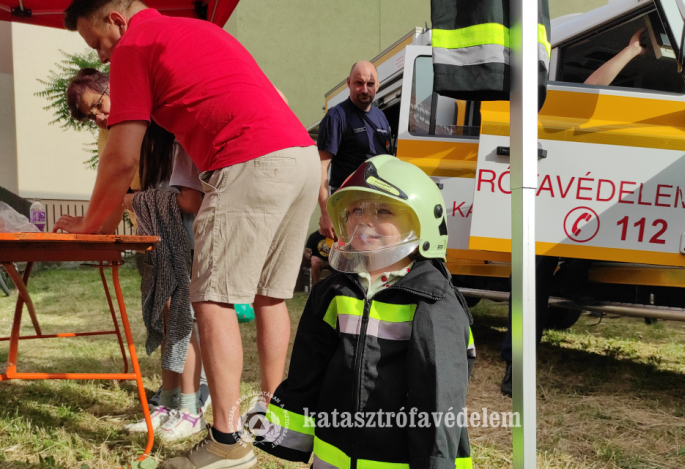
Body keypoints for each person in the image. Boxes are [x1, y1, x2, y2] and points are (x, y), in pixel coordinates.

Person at [57, 2, 318, 466]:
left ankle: (227, 441)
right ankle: (272, 420)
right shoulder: (192, 32)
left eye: (98, 43)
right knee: (270, 296)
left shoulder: (136, 44)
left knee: (210, 297)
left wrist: (89, 225)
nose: (101, 58)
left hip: (250, 156)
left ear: (116, 19)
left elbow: (121, 158)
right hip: (300, 159)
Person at [252, 155, 474, 468]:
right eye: (355, 210)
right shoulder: (333, 291)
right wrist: (289, 436)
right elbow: (307, 369)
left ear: (423, 220)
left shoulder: (434, 301)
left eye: (383, 210)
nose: (363, 221)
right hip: (333, 456)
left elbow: (440, 394)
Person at [499, 28, 646, 397]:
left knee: (595, 247)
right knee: (531, 285)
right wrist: (630, 50)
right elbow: (592, 85)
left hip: (581, 215)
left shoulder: (610, 128)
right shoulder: (548, 109)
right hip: (544, 212)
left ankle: (571, 282)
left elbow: (596, 87)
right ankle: (515, 369)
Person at [67, 69, 210, 440]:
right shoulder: (120, 136)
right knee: (164, 318)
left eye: (98, 105)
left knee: (180, 318)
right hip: (157, 234)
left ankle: (191, 406)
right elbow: (118, 192)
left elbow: (187, 200)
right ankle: (167, 403)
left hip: (184, 234)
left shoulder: (166, 127)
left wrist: (131, 200)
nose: (98, 117)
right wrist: (95, 225)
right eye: (91, 116)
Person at [317, 61, 392, 239]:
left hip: (375, 205)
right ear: (349, 83)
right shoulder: (336, 117)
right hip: (347, 206)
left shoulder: (381, 117)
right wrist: (326, 212)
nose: (365, 89)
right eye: (359, 83)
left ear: (378, 85)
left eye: (370, 84)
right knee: (347, 264)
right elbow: (320, 167)